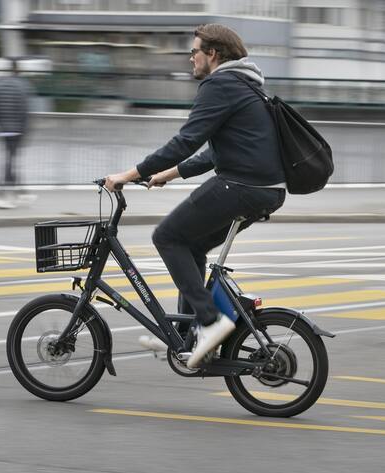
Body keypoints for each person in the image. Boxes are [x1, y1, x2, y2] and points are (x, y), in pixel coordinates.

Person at [105, 24, 286, 369]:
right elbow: (214, 154)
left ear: (213, 54)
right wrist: (167, 175)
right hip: (267, 189)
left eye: (195, 51)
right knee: (191, 246)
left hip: (242, 186)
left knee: (167, 236)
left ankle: (210, 322)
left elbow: (185, 141)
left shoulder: (219, 85)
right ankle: (191, 339)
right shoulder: (246, 85)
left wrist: (129, 174)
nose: (191, 57)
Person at [0, 59, 36, 209]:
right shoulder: (23, 86)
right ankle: (1, 193)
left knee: (9, 159)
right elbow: (25, 111)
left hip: (3, 129)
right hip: (17, 130)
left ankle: (19, 191)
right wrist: (25, 130)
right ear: (19, 71)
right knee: (10, 160)